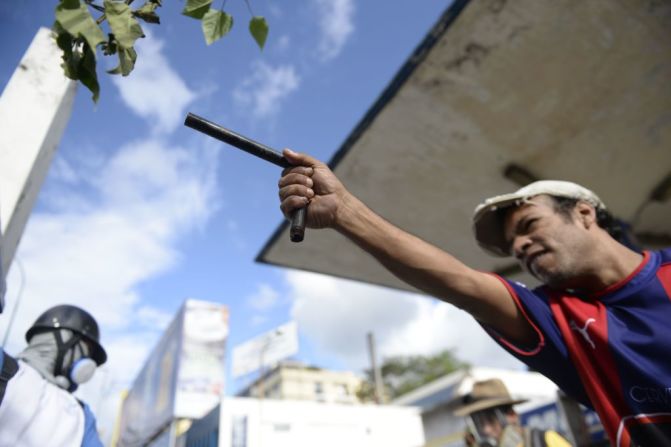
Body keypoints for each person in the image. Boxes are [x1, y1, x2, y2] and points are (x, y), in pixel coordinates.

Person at [277, 149, 671, 447]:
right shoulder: (558, 318)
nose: (519, 246)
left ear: (584, 214)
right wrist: (344, 211)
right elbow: (463, 284)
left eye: (529, 225)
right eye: (512, 244)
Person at [0, 304, 107, 446]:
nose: (88, 361)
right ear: (64, 339)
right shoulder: (81, 415)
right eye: (87, 350)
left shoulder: (81, 414)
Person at [455, 378, 570, 447]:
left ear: (512, 415)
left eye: (491, 420)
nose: (486, 429)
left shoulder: (544, 440)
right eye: (480, 423)